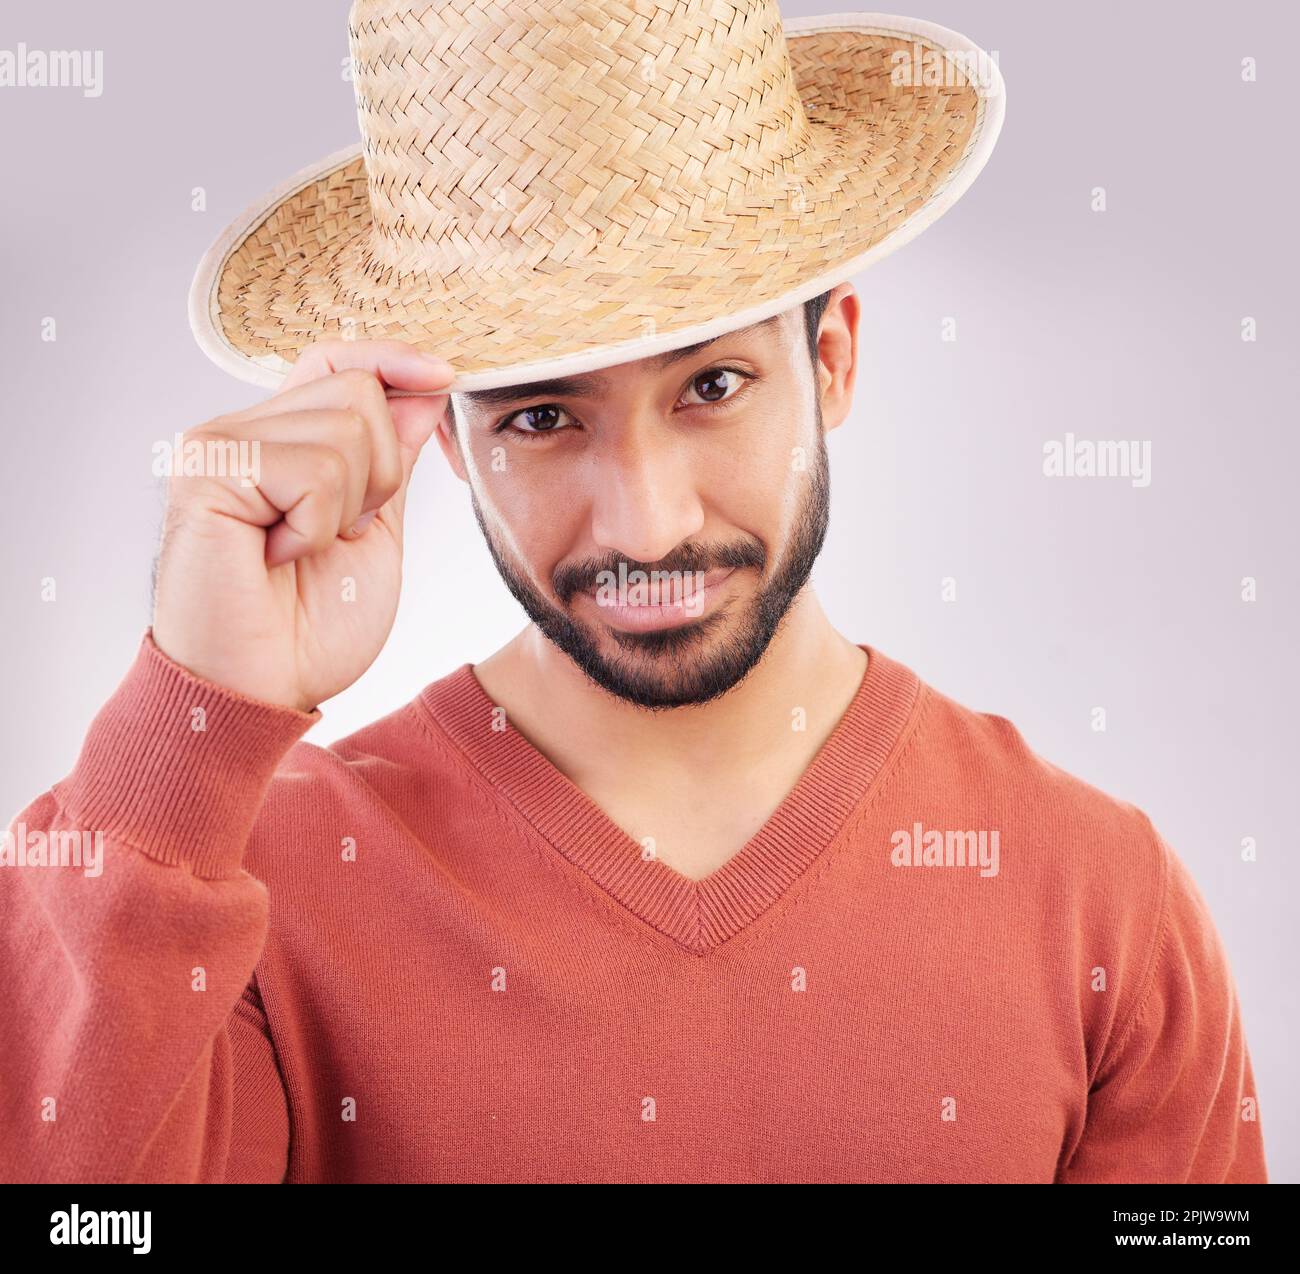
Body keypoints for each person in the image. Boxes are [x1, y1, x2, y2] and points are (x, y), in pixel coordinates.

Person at [0, 1, 1267, 1183]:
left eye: (712, 386)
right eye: (546, 416)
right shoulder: (246, 892)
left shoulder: (1101, 896)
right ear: (448, 444)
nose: (646, 522)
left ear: (830, 363)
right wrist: (194, 709)